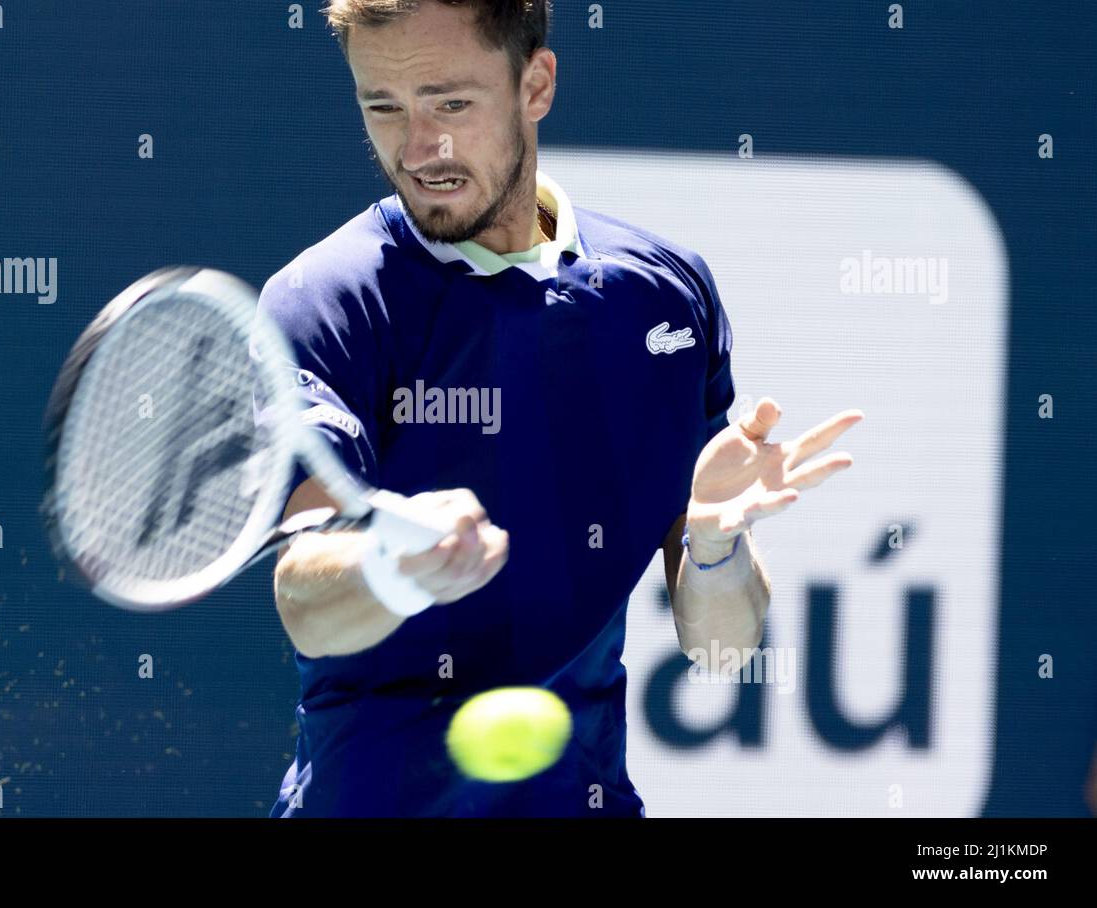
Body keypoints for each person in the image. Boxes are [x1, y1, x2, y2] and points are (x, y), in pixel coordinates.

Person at [259, 0, 861, 817]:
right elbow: (306, 603)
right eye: (383, 107)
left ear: (535, 83)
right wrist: (393, 563)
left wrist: (715, 543)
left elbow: (720, 651)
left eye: (450, 104)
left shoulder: (666, 297)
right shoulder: (322, 303)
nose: (417, 147)